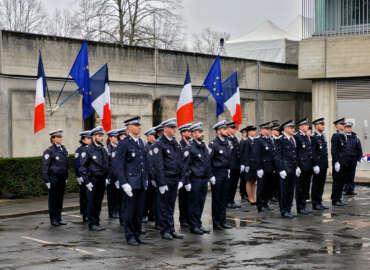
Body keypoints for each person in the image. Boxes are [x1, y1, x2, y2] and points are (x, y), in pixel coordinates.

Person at [115, 116, 148, 246]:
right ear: (129, 128)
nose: (139, 127)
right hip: (130, 183)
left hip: (140, 182)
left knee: (139, 211)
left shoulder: (140, 142)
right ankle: (130, 236)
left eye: (139, 125)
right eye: (136, 125)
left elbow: (144, 163)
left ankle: (138, 234)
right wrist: (124, 183)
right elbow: (119, 165)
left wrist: (146, 179)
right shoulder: (124, 143)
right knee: (130, 211)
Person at [152, 118, 185, 240]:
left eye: (174, 127)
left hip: (174, 179)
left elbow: (180, 162)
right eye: (171, 127)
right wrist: (161, 183)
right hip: (165, 180)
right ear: (165, 128)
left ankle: (171, 229)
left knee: (171, 206)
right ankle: (165, 230)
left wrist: (181, 179)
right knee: (163, 207)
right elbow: (158, 165)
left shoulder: (175, 143)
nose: (174, 129)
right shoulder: (159, 143)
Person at [183, 122, 211, 235]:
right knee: (193, 203)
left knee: (201, 202)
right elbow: (186, 166)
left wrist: (208, 177)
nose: (202, 134)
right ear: (193, 134)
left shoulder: (203, 146)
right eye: (199, 132)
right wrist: (187, 181)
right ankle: (193, 225)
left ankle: (198, 223)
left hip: (203, 179)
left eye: (202, 132)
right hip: (194, 179)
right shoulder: (190, 147)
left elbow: (207, 162)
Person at [80, 126, 109, 231]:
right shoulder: (88, 150)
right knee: (91, 202)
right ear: (93, 137)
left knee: (98, 202)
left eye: (102, 135)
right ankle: (92, 224)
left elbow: (107, 164)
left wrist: (106, 177)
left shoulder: (102, 149)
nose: (101, 137)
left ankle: (96, 222)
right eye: (99, 135)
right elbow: (82, 167)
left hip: (101, 179)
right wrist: (86, 181)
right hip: (92, 180)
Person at [42, 129, 69, 226]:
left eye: (60, 136)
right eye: (58, 137)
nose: (60, 138)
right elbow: (45, 167)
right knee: (53, 199)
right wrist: (47, 180)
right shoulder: (49, 151)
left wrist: (66, 176)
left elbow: (66, 165)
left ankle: (59, 217)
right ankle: (53, 219)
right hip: (53, 178)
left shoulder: (63, 149)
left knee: (60, 199)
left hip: (62, 178)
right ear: (53, 139)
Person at [209, 120, 232, 230]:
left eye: (226, 128)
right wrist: (211, 175)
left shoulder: (227, 142)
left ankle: (223, 221)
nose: (226, 130)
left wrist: (228, 170)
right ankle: (216, 222)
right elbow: (208, 161)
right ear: (218, 131)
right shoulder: (214, 144)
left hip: (225, 173)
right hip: (217, 174)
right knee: (217, 199)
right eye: (224, 129)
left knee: (224, 199)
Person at [275, 120, 300, 218]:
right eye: (291, 127)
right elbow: (278, 156)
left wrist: (297, 166)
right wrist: (281, 169)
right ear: (285, 129)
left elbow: (295, 155)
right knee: (284, 191)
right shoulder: (280, 139)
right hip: (285, 169)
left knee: (290, 190)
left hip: (293, 168)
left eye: (293, 127)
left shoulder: (293, 139)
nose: (293, 129)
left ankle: (288, 208)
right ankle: (284, 210)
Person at [294, 118, 313, 215]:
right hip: (301, 166)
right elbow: (296, 153)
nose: (307, 126)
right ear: (301, 126)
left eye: (307, 125)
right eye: (305, 125)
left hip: (308, 166)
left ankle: (304, 206)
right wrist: (297, 166)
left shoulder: (306, 136)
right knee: (300, 188)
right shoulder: (297, 137)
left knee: (305, 187)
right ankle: (300, 207)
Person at [311, 118, 329, 210]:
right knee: (316, 184)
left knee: (321, 184)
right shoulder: (313, 137)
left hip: (323, 165)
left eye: (323, 124)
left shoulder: (322, 136)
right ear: (316, 126)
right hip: (318, 165)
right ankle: (315, 203)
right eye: (321, 124)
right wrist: (315, 165)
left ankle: (319, 201)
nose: (323, 126)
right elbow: (313, 152)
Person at [256, 122, 274, 212]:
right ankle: (260, 204)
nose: (269, 131)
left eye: (269, 129)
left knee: (268, 187)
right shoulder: (258, 140)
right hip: (262, 168)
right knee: (261, 187)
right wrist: (259, 168)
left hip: (270, 168)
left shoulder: (270, 140)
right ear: (262, 130)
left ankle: (266, 203)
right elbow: (257, 155)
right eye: (267, 129)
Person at [74, 130, 91, 223]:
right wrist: (78, 176)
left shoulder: (91, 149)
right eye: (88, 138)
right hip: (84, 176)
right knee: (85, 197)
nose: (90, 140)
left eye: (90, 138)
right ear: (83, 140)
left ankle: (89, 214)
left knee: (90, 197)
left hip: (90, 176)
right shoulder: (80, 150)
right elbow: (77, 164)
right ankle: (85, 215)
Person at [178, 123, 193, 227]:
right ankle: (183, 220)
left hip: (192, 176)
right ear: (183, 133)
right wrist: (184, 179)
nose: (190, 133)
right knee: (183, 199)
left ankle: (189, 218)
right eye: (188, 131)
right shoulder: (180, 145)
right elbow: (182, 164)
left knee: (190, 199)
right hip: (184, 177)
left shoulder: (191, 144)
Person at [342, 121, 363, 196]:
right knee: (345, 175)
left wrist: (358, 159)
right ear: (344, 128)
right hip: (345, 159)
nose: (348, 129)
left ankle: (351, 189)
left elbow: (359, 149)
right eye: (347, 127)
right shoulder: (342, 137)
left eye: (349, 127)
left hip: (353, 159)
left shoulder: (356, 138)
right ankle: (345, 189)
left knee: (351, 175)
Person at [240, 125, 259, 206]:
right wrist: (245, 164)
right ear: (249, 132)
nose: (254, 132)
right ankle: (250, 198)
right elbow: (245, 154)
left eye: (255, 131)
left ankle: (253, 197)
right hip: (249, 164)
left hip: (254, 164)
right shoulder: (246, 141)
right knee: (249, 181)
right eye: (253, 131)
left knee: (254, 182)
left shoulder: (254, 141)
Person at [330, 118, 348, 206]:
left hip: (343, 162)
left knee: (341, 182)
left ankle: (339, 198)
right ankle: (335, 199)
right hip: (338, 163)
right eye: (341, 124)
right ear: (337, 126)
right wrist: (336, 162)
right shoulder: (335, 136)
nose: (343, 126)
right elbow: (334, 150)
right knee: (337, 182)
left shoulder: (343, 135)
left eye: (343, 124)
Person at [143, 127, 157, 224]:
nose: (153, 137)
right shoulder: (146, 148)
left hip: (155, 177)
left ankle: (152, 215)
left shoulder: (155, 147)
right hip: (148, 176)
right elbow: (147, 164)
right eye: (152, 136)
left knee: (154, 198)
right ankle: (144, 215)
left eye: (154, 136)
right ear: (148, 137)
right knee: (146, 198)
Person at [226, 122, 241, 209]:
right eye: (232, 128)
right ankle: (227, 201)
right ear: (227, 129)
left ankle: (232, 200)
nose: (234, 130)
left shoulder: (235, 139)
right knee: (229, 184)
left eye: (234, 128)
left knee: (234, 184)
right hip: (230, 166)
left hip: (237, 166)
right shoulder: (227, 139)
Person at [106, 129, 121, 219]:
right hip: (110, 176)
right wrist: (107, 177)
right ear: (110, 138)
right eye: (115, 137)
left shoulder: (118, 148)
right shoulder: (107, 149)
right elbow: (106, 164)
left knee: (117, 194)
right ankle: (112, 212)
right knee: (111, 195)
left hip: (117, 176)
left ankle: (116, 210)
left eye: (117, 137)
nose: (116, 139)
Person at [271, 122, 281, 203]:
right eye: (277, 130)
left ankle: (277, 195)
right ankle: (272, 195)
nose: (278, 132)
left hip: (278, 163)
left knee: (278, 180)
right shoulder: (270, 139)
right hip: (271, 163)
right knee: (272, 181)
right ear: (273, 131)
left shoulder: (280, 139)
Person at [239, 127, 249, 202]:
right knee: (243, 180)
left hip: (248, 163)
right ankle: (243, 194)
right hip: (243, 163)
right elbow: (241, 154)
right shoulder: (241, 141)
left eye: (245, 133)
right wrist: (242, 164)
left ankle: (246, 193)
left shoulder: (248, 141)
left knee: (247, 179)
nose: (244, 134)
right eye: (243, 133)